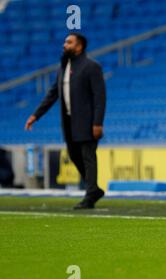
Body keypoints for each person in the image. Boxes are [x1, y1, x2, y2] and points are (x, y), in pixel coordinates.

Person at [25, 32, 106, 209]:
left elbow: (100, 96)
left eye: (69, 42)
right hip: (69, 123)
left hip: (88, 122)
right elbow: (53, 93)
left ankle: (90, 193)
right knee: (74, 155)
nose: (64, 45)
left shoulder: (92, 67)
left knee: (88, 157)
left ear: (79, 46)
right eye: (64, 42)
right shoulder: (64, 68)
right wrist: (36, 115)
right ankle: (94, 189)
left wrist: (97, 122)